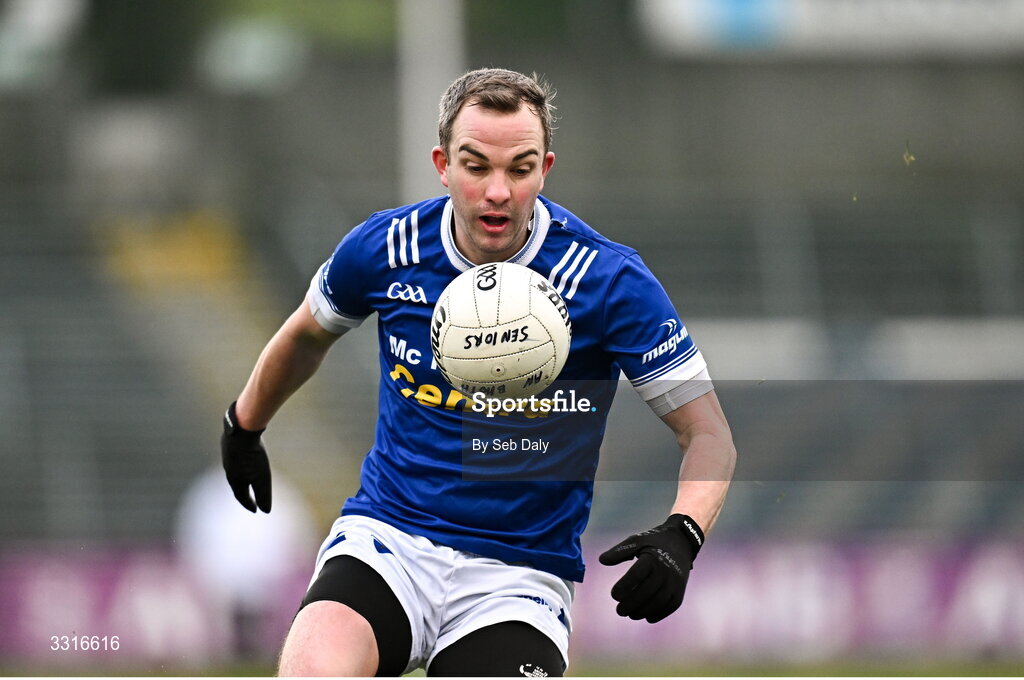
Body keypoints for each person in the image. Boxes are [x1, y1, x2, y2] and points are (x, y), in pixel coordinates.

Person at [221, 67, 736, 677]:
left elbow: (708, 434)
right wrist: (244, 422)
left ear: (545, 168)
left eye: (520, 169)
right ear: (443, 164)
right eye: (476, 166)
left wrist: (684, 534)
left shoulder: (608, 282)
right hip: (390, 542)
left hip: (519, 577)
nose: (498, 191)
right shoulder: (387, 248)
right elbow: (307, 334)